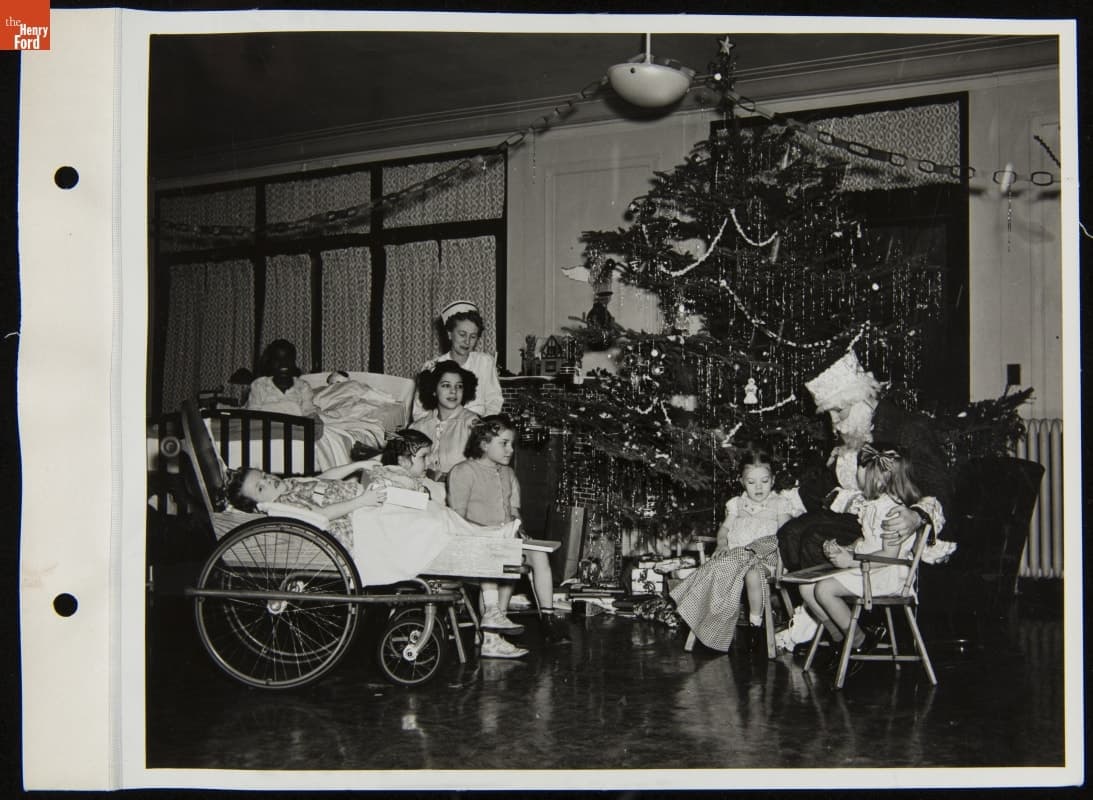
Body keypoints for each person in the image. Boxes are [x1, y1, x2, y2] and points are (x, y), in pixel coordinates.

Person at [225, 429, 518, 587]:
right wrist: (361, 502)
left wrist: (357, 465)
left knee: (432, 508)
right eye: (261, 486)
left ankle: (491, 535)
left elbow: (322, 478)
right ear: (260, 504)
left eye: (263, 475)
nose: (269, 480)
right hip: (358, 520)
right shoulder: (283, 506)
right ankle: (488, 540)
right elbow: (318, 516)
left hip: (365, 502)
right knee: (428, 521)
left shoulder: (289, 485)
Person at [777, 349, 951, 574]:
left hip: (890, 530)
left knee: (815, 539)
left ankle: (835, 604)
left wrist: (918, 515)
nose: (835, 423)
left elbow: (940, 485)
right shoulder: (856, 429)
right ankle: (810, 604)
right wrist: (781, 501)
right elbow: (832, 483)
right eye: (829, 414)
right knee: (790, 533)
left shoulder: (909, 429)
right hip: (860, 518)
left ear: (863, 399)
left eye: (839, 411)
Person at [799, 442, 941, 656]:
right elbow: (868, 540)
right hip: (868, 566)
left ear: (879, 478)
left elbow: (888, 556)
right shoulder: (873, 505)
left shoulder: (894, 512)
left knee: (824, 589)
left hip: (885, 573)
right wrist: (846, 549)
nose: (856, 473)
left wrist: (851, 561)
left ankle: (860, 640)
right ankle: (840, 640)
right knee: (806, 588)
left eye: (861, 468)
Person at [448, 414, 570, 658]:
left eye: (511, 443)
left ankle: (547, 617)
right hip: (475, 541)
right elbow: (457, 518)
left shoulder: (508, 474)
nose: (511, 449)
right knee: (500, 565)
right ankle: (492, 634)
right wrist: (490, 532)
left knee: (538, 554)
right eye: (504, 443)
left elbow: (514, 511)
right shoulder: (463, 471)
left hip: (504, 540)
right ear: (484, 444)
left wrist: (519, 528)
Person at [669, 447, 800, 653]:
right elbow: (724, 530)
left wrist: (764, 550)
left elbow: (786, 534)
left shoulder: (779, 504)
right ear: (741, 482)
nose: (758, 487)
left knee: (753, 574)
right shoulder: (737, 504)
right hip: (735, 557)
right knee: (718, 569)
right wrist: (721, 544)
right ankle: (708, 622)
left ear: (773, 481)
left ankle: (755, 625)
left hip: (767, 559)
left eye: (764, 481)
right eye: (751, 482)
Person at [415, 300, 503, 419]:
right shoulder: (432, 367)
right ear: (450, 334)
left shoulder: (485, 362)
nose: (467, 341)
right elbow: (420, 412)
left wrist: (483, 426)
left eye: (473, 336)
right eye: (462, 334)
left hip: (478, 427)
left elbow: (494, 401)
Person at [409, 360, 481, 481]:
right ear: (433, 390)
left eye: (459, 386)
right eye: (446, 385)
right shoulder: (418, 427)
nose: (454, 391)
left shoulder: (472, 424)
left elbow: (482, 471)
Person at [245, 339, 323, 436]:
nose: (283, 363)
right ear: (270, 363)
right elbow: (253, 413)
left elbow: (309, 412)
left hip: (293, 430)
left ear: (294, 361)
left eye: (288, 358)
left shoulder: (302, 386)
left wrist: (315, 422)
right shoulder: (259, 385)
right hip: (265, 430)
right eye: (277, 359)